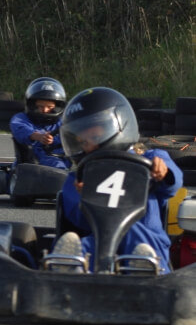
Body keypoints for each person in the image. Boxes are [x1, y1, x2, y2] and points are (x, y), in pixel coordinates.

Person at [50, 86, 183, 274]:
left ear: (120, 126)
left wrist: (164, 173)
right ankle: (71, 266)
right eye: (84, 142)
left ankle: (142, 267)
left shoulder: (152, 159)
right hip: (100, 242)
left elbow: (173, 185)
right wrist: (85, 198)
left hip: (149, 246)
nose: (91, 145)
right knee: (87, 242)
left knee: (131, 233)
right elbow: (78, 220)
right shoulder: (78, 177)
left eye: (96, 136)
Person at [10, 77, 70, 170]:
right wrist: (38, 136)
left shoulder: (63, 121)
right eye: (40, 106)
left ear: (57, 106)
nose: (45, 110)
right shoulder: (20, 118)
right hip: (36, 160)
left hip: (65, 157)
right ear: (33, 105)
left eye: (49, 107)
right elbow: (21, 130)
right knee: (57, 166)